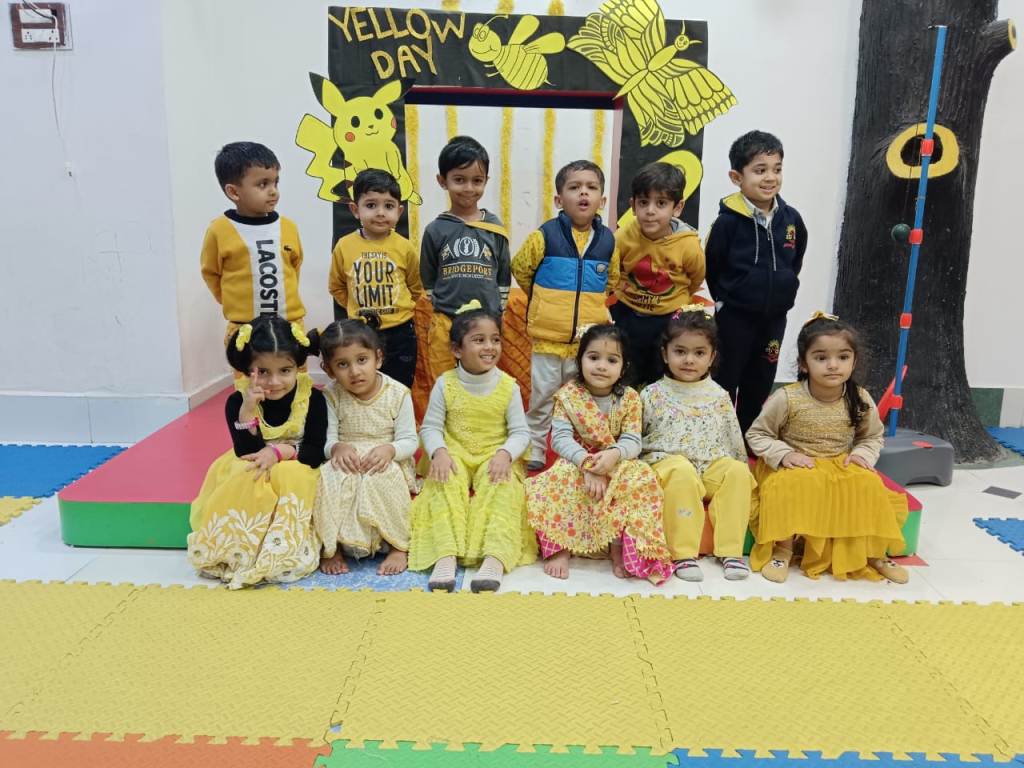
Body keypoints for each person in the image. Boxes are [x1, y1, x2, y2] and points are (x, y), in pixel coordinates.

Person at [746, 313, 909, 584]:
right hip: (796, 464)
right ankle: (782, 550)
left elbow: (872, 437)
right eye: (821, 358)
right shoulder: (787, 397)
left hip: (838, 463)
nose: (833, 365)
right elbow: (757, 434)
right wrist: (784, 454)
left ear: (854, 361)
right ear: (804, 363)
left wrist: (860, 455)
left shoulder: (859, 398)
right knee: (785, 485)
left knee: (869, 484)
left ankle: (873, 553)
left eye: (843, 357)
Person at [526, 324, 672, 584]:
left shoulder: (630, 398)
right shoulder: (568, 395)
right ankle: (559, 547)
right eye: (593, 357)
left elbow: (632, 440)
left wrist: (614, 455)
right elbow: (559, 439)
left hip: (616, 460)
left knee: (642, 480)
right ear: (579, 361)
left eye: (612, 360)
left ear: (623, 367)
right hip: (577, 460)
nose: (601, 366)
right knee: (555, 481)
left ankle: (617, 545)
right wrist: (587, 464)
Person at [188, 316, 325, 588]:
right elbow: (245, 450)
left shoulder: (313, 398)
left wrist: (280, 452)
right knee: (248, 472)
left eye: (285, 371)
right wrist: (248, 410)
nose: (275, 381)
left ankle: (281, 549)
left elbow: (316, 451)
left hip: (297, 461)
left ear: (297, 367)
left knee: (290, 475)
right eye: (262, 372)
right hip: (255, 460)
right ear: (246, 370)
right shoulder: (238, 400)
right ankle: (242, 549)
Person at [408, 300, 536, 593]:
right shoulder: (445, 384)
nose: (489, 347)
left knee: (502, 486)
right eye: (479, 340)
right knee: (444, 482)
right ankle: (445, 554)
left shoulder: (509, 386)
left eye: (495, 340)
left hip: (494, 451)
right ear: (457, 350)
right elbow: (430, 427)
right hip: (455, 449)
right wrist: (439, 451)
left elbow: (520, 432)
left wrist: (505, 454)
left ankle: (494, 556)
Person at [511, 160, 619, 472]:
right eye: (574, 187)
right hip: (547, 340)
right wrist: (544, 301)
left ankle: (575, 449)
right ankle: (535, 446)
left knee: (580, 399)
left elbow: (612, 279)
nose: (583, 193)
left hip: (586, 344)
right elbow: (521, 268)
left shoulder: (608, 241)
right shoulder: (544, 235)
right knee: (543, 397)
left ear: (602, 200)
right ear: (559, 199)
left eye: (591, 187)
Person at [641, 307, 755, 582]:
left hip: (710, 467)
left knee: (737, 472)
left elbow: (733, 440)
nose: (689, 360)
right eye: (680, 351)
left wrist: (740, 467)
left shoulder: (719, 395)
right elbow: (636, 439)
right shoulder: (651, 394)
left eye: (699, 353)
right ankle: (682, 553)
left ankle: (731, 552)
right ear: (665, 354)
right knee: (681, 471)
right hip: (668, 468)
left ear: (712, 357)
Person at [705, 130, 807, 435]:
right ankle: (721, 439)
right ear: (737, 177)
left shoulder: (791, 219)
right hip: (735, 318)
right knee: (726, 379)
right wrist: (726, 300)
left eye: (777, 169)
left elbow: (795, 260)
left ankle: (750, 437)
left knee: (761, 379)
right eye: (760, 170)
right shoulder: (727, 222)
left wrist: (783, 289)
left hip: (774, 319)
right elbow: (712, 265)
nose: (770, 178)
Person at [313, 314, 418, 576]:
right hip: (346, 456)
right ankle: (333, 547)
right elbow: (326, 440)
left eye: (362, 360)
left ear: (378, 358)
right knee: (329, 478)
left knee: (383, 477)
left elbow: (410, 440)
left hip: (385, 457)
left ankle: (397, 544)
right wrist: (336, 448)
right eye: (343, 364)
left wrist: (390, 450)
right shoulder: (331, 395)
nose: (355, 371)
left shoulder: (398, 393)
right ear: (329, 369)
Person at [420, 136, 511, 390]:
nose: (469, 188)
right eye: (459, 180)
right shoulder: (435, 229)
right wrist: (440, 304)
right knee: (444, 381)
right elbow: (428, 274)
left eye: (477, 180)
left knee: (483, 380)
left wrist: (498, 311)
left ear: (486, 181)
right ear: (442, 181)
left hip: (485, 320)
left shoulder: (494, 227)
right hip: (446, 320)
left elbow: (504, 272)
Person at [200, 142, 307, 345]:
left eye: (276, 182)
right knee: (247, 367)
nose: (273, 191)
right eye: (263, 184)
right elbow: (211, 272)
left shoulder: (288, 227)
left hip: (290, 325)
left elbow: (294, 267)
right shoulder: (219, 230)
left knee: (293, 366)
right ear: (234, 192)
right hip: (244, 328)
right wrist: (234, 303)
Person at [611, 162, 705, 387]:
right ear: (633, 206)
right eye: (643, 202)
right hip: (627, 314)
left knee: (660, 377)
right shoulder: (622, 237)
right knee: (625, 374)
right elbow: (614, 271)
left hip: (668, 319)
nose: (650, 211)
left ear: (677, 208)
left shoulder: (688, 245)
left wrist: (672, 302)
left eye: (661, 203)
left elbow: (695, 278)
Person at [329, 169, 423, 387]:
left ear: (399, 211)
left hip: (401, 332)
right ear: (355, 209)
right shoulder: (344, 246)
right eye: (371, 205)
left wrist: (397, 310)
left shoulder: (405, 247)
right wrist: (357, 307)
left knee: (400, 386)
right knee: (364, 384)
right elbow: (337, 287)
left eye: (388, 206)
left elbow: (415, 287)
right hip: (361, 332)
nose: (380, 213)